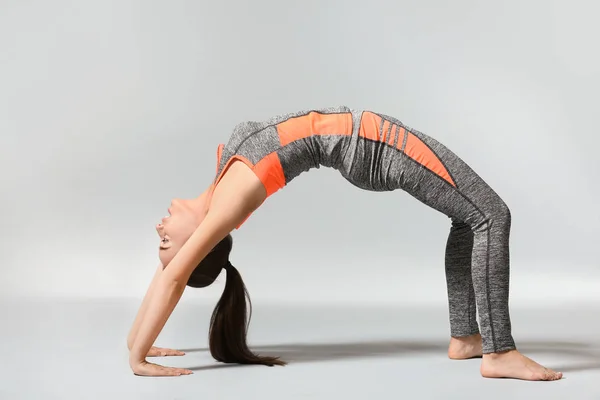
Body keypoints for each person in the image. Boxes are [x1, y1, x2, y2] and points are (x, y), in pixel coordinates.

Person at [126, 106, 563, 381]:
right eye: (167, 245)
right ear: (201, 245)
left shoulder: (223, 177)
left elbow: (172, 272)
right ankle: (500, 351)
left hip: (366, 140)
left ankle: (466, 338)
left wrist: (137, 342)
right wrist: (140, 360)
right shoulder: (230, 203)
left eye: (161, 244)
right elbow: (177, 274)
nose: (159, 232)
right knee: (491, 215)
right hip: (373, 145)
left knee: (467, 219)